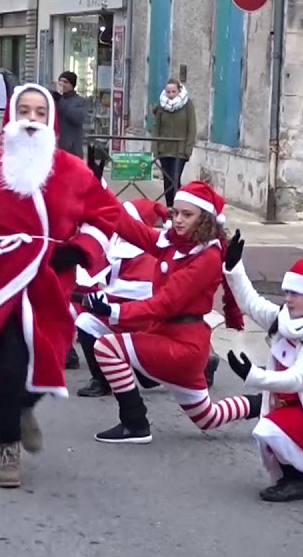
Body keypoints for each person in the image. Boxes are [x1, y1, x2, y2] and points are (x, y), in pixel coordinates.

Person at [0, 83, 121, 488]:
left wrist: (78, 250)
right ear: (11, 118)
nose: (32, 120)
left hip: (50, 283)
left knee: (49, 357)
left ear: (51, 121)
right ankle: (8, 447)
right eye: (24, 112)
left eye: (40, 113)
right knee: (9, 363)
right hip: (2, 280)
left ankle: (23, 406)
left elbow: (106, 214)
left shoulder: (72, 170)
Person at [81, 180, 247, 444]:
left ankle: (135, 423)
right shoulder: (176, 242)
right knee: (208, 417)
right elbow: (131, 228)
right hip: (175, 338)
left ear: (205, 219)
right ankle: (259, 405)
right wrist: (96, 191)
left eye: (187, 215)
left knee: (107, 347)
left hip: (181, 346)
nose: (178, 220)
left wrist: (114, 310)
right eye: (175, 213)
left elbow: (165, 304)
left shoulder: (207, 257)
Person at [222, 244, 303, 501]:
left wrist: (253, 375)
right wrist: (234, 268)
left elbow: (297, 380)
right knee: (274, 432)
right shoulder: (285, 319)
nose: (289, 299)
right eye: (288, 292)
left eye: (297, 294)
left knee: (269, 430)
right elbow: (251, 304)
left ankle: (295, 482)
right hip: (288, 405)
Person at [75, 198, 168, 397]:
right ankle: (103, 379)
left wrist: (89, 297)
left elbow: (138, 293)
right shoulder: (121, 249)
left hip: (140, 319)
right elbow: (100, 279)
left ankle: (203, 366)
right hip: (121, 313)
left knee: (85, 321)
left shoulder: (145, 254)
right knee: (85, 321)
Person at [150, 79, 197, 207]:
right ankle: (169, 208)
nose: (170, 94)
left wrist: (188, 149)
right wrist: (155, 148)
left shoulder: (187, 105)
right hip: (164, 150)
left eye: (173, 91)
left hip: (180, 151)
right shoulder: (162, 105)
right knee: (167, 180)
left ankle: (178, 207)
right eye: (168, 92)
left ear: (179, 91)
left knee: (175, 180)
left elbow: (192, 128)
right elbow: (156, 128)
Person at [53, 71, 89, 159]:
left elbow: (77, 118)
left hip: (71, 148)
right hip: (55, 145)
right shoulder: (54, 99)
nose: (62, 84)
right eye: (60, 81)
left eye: (65, 82)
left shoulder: (80, 101)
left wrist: (60, 100)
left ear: (72, 85)